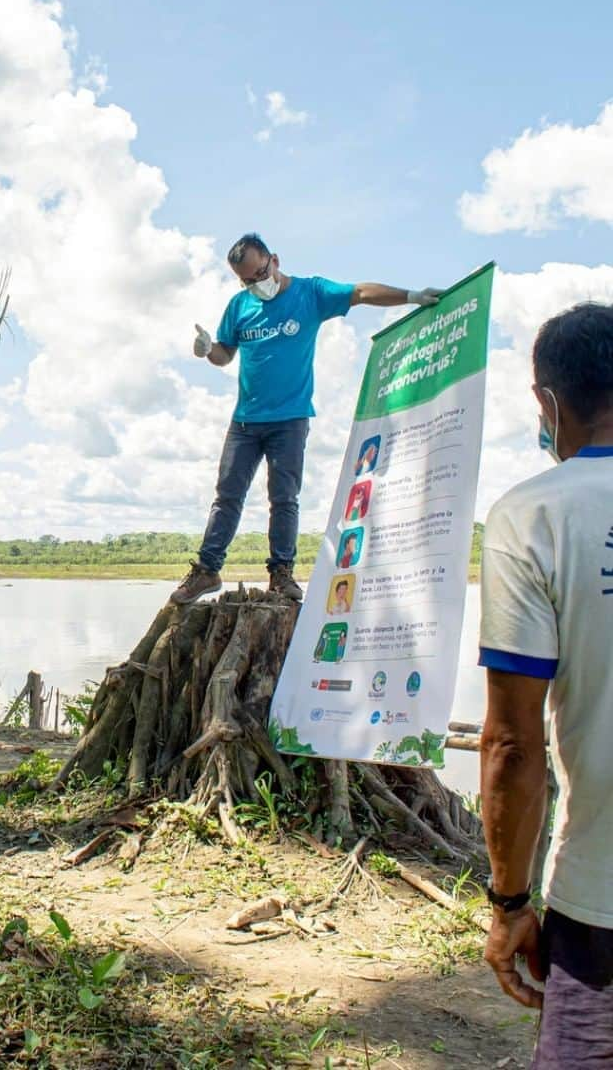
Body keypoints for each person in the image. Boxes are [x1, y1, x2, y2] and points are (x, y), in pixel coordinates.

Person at [478, 302, 613, 1065]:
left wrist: (509, 903)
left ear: (548, 404)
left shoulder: (534, 516)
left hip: (601, 902)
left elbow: (511, 745)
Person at [171, 235, 441, 606]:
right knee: (227, 496)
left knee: (284, 499)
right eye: (246, 280)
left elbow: (360, 292)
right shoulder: (239, 306)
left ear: (275, 260)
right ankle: (206, 570)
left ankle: (281, 574)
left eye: (259, 274)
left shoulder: (310, 294)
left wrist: (412, 296)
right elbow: (224, 355)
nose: (255, 284)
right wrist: (207, 351)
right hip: (245, 422)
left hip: (290, 420)